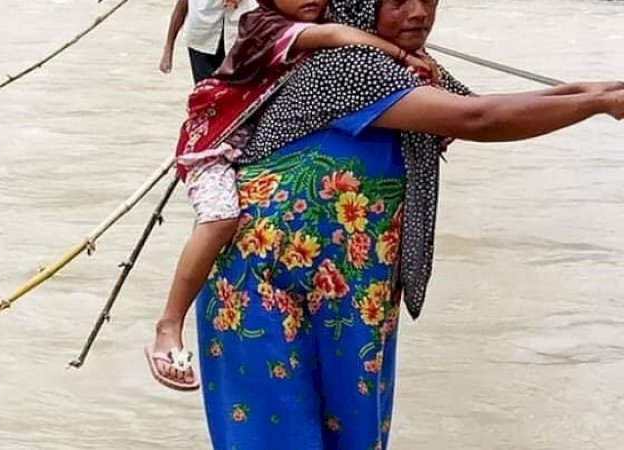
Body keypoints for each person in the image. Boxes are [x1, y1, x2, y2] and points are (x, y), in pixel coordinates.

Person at [191, 0, 624, 448]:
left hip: (349, 285)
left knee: (352, 433)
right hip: (263, 280)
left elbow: (481, 105)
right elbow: (476, 120)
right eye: (397, 2)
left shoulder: (413, 68)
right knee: (277, 433)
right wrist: (597, 103)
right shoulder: (346, 64)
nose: (418, 12)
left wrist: (589, 92)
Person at [146, 0, 439, 391]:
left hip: (254, 138)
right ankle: (169, 324)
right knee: (219, 218)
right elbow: (336, 36)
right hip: (215, 146)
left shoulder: (331, 30)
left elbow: (462, 106)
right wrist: (401, 51)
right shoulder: (266, 25)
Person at [159, 0, 257, 83]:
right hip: (202, 37)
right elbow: (182, 5)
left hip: (239, 37)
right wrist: (169, 47)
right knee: (205, 94)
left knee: (238, 95)